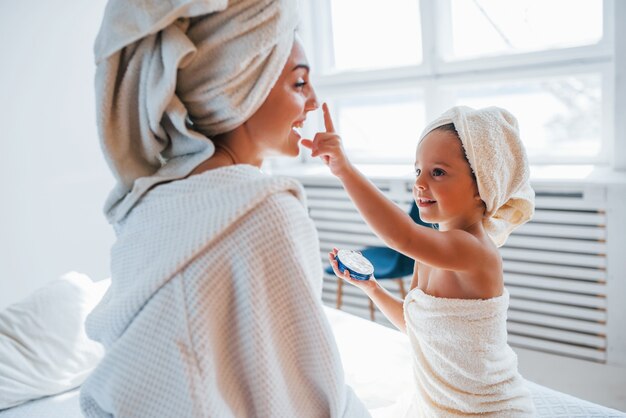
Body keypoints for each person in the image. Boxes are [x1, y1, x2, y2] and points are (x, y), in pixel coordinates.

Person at [80, 1, 370, 417]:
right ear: (239, 85)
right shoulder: (266, 212)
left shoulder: (152, 201)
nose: (313, 102)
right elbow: (310, 396)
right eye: (299, 82)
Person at [303, 104, 536, 416]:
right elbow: (418, 327)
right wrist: (372, 288)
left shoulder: (475, 251)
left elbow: (403, 235)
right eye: (418, 170)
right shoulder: (431, 252)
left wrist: (344, 169)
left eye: (437, 172)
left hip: (483, 410)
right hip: (436, 406)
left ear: (483, 186)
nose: (420, 183)